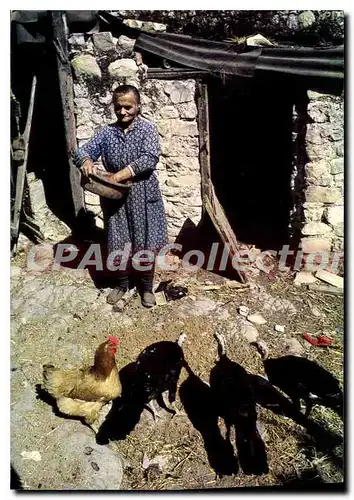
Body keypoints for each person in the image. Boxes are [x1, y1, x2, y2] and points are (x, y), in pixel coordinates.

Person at [73, 84, 168, 308]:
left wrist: (118, 176)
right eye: (118, 107)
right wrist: (86, 161)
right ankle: (122, 284)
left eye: (128, 107)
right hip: (115, 198)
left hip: (143, 194)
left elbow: (149, 158)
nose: (123, 112)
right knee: (118, 242)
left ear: (138, 106)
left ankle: (146, 287)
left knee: (145, 242)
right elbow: (82, 151)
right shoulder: (107, 133)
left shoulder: (147, 130)